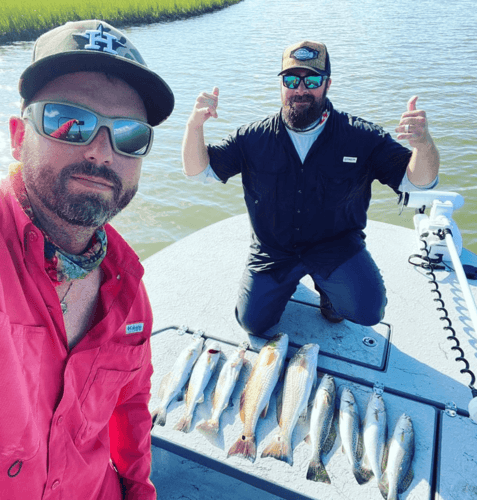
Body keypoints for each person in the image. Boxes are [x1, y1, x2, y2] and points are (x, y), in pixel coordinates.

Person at [1, 20, 174, 499]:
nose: (101, 151)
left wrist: (138, 490)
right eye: (67, 120)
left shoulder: (129, 291)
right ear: (19, 137)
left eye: (130, 135)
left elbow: (132, 405)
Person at [182, 40, 439, 335]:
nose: (301, 90)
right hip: (273, 250)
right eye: (291, 80)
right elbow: (198, 172)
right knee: (253, 324)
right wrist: (194, 126)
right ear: (281, 85)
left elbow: (418, 182)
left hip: (336, 248)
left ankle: (329, 291)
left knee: (368, 312)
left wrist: (423, 145)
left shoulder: (361, 136)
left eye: (312, 80)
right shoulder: (252, 138)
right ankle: (285, 283)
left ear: (327, 84)